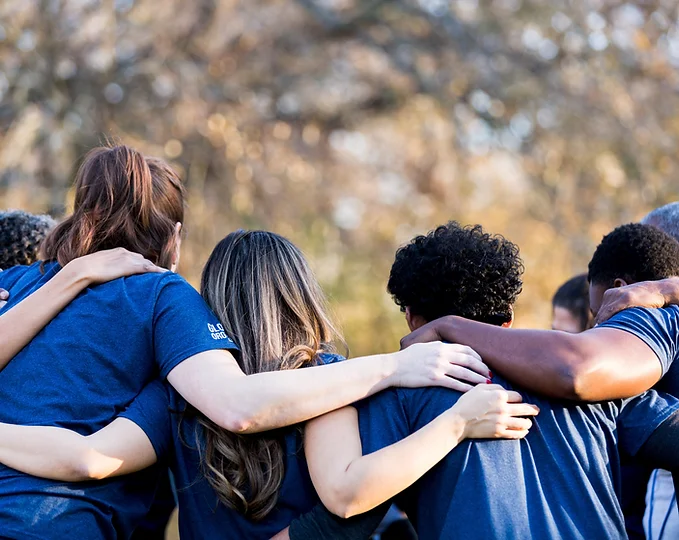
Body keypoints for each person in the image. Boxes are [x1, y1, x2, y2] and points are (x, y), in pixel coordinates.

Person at [0, 145, 501, 539]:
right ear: (173, 239)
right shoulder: (169, 306)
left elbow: (94, 455)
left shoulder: (18, 288)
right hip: (54, 523)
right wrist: (398, 370)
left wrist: (73, 276)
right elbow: (247, 414)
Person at [300, 222, 679, 539]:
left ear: (413, 320)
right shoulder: (606, 387)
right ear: (509, 316)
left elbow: (341, 525)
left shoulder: (395, 396)